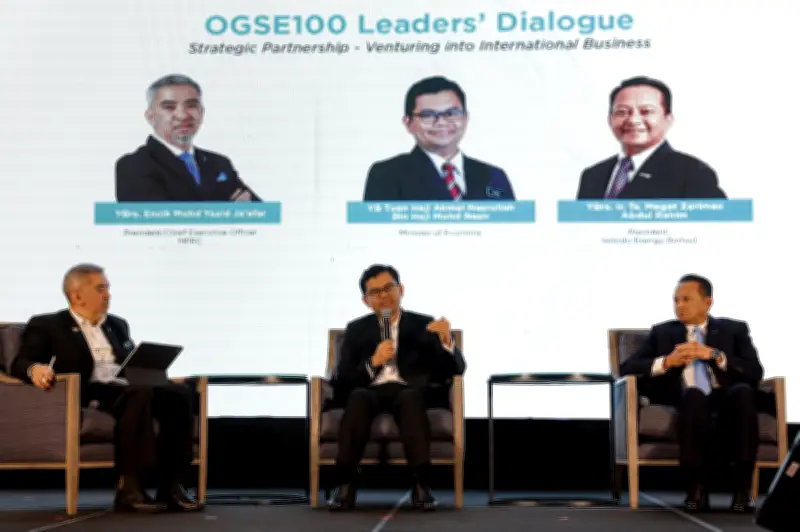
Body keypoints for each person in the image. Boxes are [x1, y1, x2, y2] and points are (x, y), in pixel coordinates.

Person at [10, 264, 201, 513]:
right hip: (89, 390)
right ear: (77, 295)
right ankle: (129, 488)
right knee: (138, 394)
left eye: (108, 288)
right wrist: (35, 369)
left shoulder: (117, 324)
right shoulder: (48, 325)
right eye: (100, 289)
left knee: (179, 394)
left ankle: (172, 486)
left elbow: (128, 361)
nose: (107, 295)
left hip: (126, 385)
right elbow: (21, 362)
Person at [620, 274, 763, 513]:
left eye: (686, 299)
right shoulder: (662, 332)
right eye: (676, 300)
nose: (679, 306)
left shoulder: (734, 330)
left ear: (707, 302)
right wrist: (667, 361)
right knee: (694, 396)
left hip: (725, 398)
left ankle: (742, 490)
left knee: (743, 393)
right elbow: (626, 368)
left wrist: (715, 355)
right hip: (684, 399)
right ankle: (695, 489)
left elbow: (754, 371)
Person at [328, 264, 467, 511]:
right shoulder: (356, 330)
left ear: (401, 290)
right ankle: (345, 484)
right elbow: (342, 379)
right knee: (358, 398)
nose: (383, 295)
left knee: (410, 399)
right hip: (369, 390)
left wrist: (447, 341)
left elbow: (455, 369)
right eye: (375, 292)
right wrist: (373, 362)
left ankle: (421, 485)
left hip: (409, 391)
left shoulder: (425, 325)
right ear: (366, 301)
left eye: (388, 288)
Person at [363, 76, 515, 201]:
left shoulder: (494, 176)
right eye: (427, 115)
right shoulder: (387, 175)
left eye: (451, 113)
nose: (441, 122)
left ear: (466, 118)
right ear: (408, 123)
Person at [115, 74, 261, 202]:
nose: (183, 115)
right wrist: (229, 210)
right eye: (169, 107)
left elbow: (261, 214)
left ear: (201, 112)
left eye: (191, 105)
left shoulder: (219, 163)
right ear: (150, 117)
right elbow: (159, 222)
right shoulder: (134, 166)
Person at [576, 76, 726, 200]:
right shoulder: (592, 175)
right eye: (622, 112)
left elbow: (718, 224)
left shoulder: (691, 173)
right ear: (610, 119)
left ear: (668, 119)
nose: (633, 120)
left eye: (646, 111)